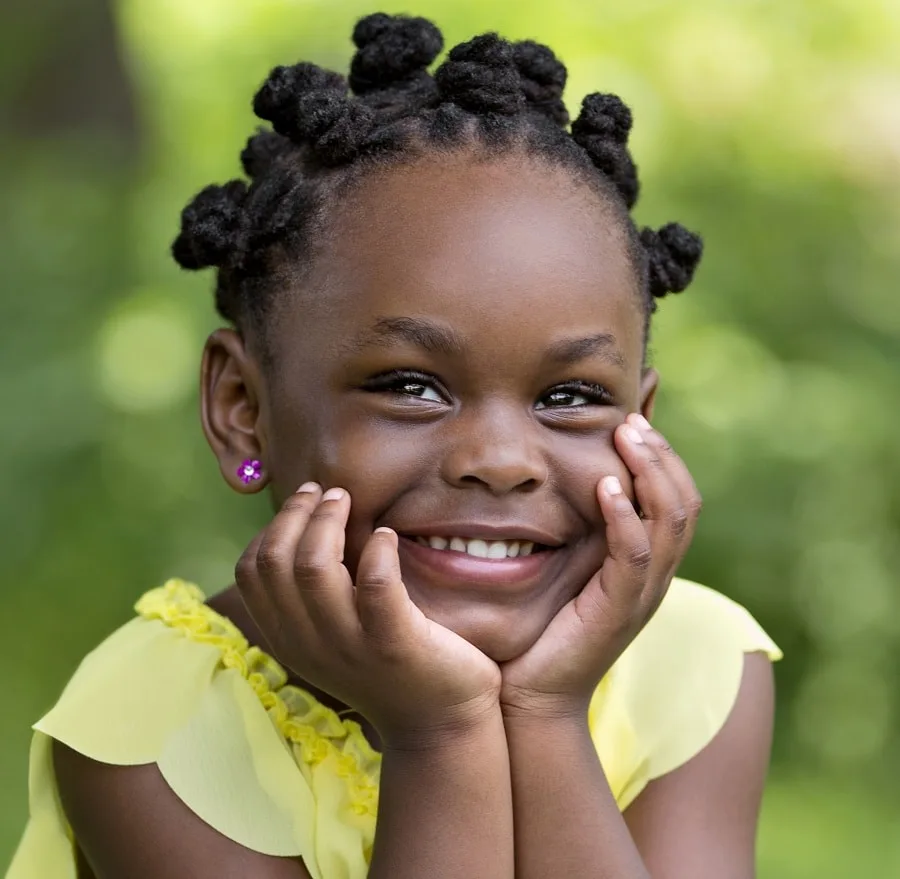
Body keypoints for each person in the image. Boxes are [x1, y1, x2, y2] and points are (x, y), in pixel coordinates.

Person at [7, 12, 782, 879]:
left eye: (570, 396)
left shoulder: (698, 666)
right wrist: (442, 733)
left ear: (642, 425)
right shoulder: (148, 728)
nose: (500, 458)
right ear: (240, 407)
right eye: (411, 385)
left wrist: (546, 713)